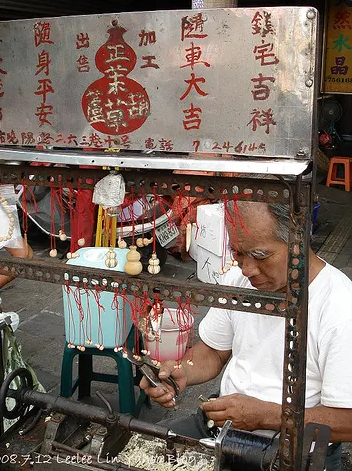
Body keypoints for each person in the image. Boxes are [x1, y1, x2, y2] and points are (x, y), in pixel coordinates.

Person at [140, 202, 352, 471]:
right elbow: (214, 351)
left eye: (261, 255)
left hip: (295, 448)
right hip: (223, 427)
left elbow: (347, 421)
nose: (247, 269)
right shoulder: (237, 282)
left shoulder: (341, 306)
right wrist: (182, 372)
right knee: (142, 451)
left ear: (299, 241)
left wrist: (266, 416)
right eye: (238, 253)